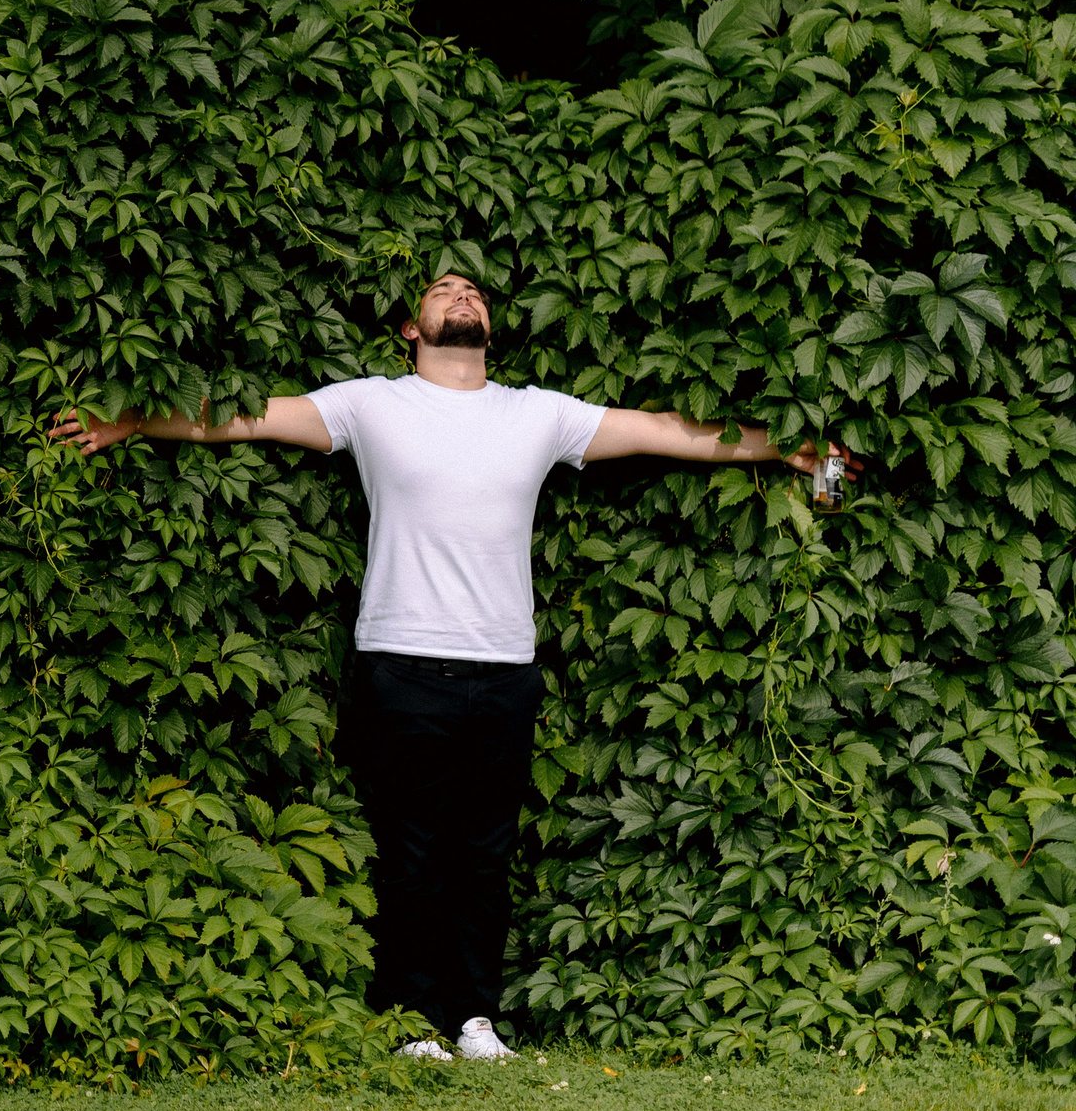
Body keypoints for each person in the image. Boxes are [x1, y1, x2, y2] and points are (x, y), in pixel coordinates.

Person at [48, 271, 847, 1061]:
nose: (461, 297)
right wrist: (130, 423)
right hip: (402, 664)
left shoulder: (539, 414)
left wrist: (781, 449)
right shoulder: (370, 403)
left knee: (485, 856)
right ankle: (408, 1020)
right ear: (412, 327)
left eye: (474, 293)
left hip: (504, 667)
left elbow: (668, 429)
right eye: (442, 291)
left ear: (489, 326)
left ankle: (474, 1020)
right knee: (413, 852)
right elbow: (243, 419)